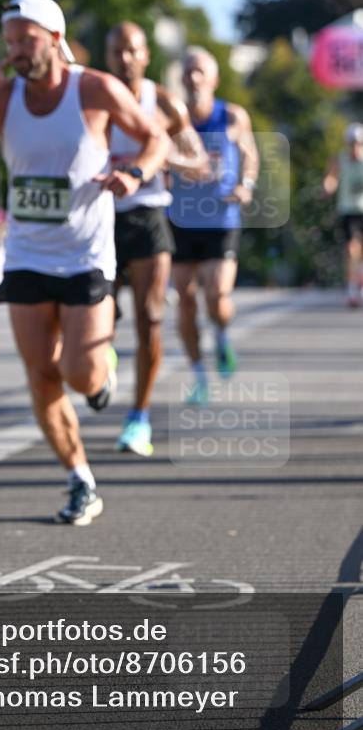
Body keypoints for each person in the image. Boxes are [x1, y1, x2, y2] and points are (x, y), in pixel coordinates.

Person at [0, 0, 170, 525]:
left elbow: (156, 139)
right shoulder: (2, 96)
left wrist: (134, 173)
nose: (15, 50)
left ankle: (100, 374)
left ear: (55, 39)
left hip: (86, 254)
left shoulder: (94, 89)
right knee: (41, 376)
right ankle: (79, 477)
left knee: (79, 375)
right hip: (27, 257)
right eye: (10, 40)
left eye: (26, 39)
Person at [106, 22, 207, 454]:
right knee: (97, 315)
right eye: (117, 51)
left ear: (146, 55)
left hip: (148, 215)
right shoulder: (93, 95)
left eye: (132, 50)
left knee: (149, 318)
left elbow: (199, 161)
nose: (125, 58)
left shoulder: (163, 102)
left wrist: (164, 152)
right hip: (99, 217)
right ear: (107, 55)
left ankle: (139, 419)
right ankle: (99, 360)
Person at [168, 46, 259, 405]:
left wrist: (246, 185)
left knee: (217, 296)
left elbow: (250, 153)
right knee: (185, 302)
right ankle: (198, 375)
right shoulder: (172, 118)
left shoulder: (232, 116)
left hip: (222, 218)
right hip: (181, 221)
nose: (193, 78)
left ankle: (221, 335)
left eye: (200, 71)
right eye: (188, 71)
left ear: (214, 79)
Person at [323, 122, 363, 307]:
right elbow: (332, 177)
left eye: (358, 143)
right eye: (352, 143)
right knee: (351, 249)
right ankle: (352, 289)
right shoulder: (340, 159)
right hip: (348, 210)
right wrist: (328, 186)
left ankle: (359, 276)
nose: (355, 147)